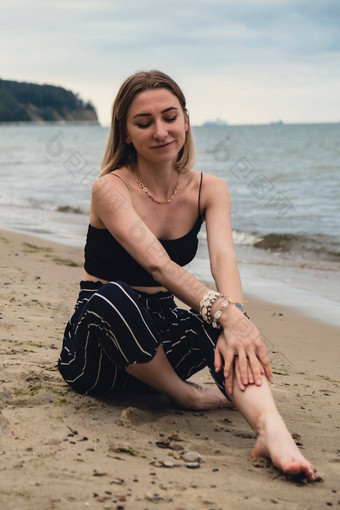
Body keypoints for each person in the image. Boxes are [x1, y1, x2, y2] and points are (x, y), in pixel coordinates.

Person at [58, 70, 315, 481]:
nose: (161, 131)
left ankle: (272, 431)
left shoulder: (210, 189)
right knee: (115, 297)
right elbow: (158, 263)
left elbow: (224, 261)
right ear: (125, 132)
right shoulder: (109, 188)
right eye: (144, 123)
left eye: (170, 117)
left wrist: (236, 321)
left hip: (159, 339)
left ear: (186, 120)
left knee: (220, 323)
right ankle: (184, 396)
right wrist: (226, 313)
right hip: (98, 351)